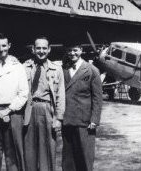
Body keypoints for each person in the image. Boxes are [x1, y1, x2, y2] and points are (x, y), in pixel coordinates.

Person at [0, 33, 29, 171]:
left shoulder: (17, 66)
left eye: (4, 45)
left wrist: (8, 110)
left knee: (13, 156)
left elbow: (23, 93)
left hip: (13, 114)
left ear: (9, 46)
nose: (1, 49)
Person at [23, 36, 65, 171]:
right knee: (29, 150)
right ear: (33, 50)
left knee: (48, 149)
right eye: (38, 48)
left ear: (49, 50)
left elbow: (61, 95)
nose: (41, 51)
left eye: (44, 48)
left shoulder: (56, 69)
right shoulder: (25, 67)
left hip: (47, 109)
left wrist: (58, 118)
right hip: (29, 110)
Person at [62, 41, 103, 171]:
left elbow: (97, 97)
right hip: (67, 120)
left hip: (84, 122)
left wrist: (94, 119)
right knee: (68, 160)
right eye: (69, 50)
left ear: (80, 49)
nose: (72, 53)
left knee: (85, 158)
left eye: (75, 50)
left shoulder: (92, 70)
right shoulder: (63, 69)